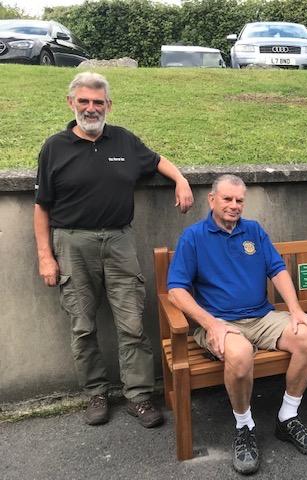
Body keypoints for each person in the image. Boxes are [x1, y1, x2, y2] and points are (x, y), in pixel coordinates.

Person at [34, 72, 194, 428]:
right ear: (71, 102)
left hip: (119, 241)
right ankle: (96, 392)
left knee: (132, 323)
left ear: (109, 105)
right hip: (72, 243)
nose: (91, 108)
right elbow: (41, 206)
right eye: (84, 101)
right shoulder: (54, 148)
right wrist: (46, 256)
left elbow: (156, 161)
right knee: (82, 325)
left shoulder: (123, 140)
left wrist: (181, 180)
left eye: (98, 102)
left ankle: (138, 396)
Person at [167, 174, 307, 475]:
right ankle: (245, 427)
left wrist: (296, 310)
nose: (234, 205)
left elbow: (277, 269)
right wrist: (210, 324)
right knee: (240, 356)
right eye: (227, 199)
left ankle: (287, 418)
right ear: (212, 200)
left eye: (239, 200)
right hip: (220, 322)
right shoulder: (194, 237)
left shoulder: (253, 230)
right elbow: (176, 290)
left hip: (262, 316)